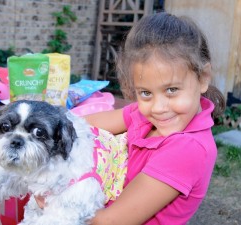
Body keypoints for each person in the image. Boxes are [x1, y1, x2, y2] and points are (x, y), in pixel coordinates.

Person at [36, 12, 225, 224]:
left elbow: (110, 222)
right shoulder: (146, 115)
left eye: (171, 89)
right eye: (145, 93)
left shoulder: (187, 149)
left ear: (203, 78)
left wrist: (56, 202)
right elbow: (77, 125)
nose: (159, 107)